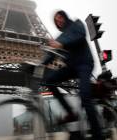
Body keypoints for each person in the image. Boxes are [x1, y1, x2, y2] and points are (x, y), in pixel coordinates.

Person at [41, 10, 104, 140]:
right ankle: (71, 113)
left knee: (85, 96)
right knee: (49, 80)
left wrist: (61, 43)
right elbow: (52, 52)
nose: (58, 20)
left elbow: (80, 35)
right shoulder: (61, 37)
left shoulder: (76, 24)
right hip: (71, 67)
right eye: (56, 20)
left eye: (60, 17)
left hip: (84, 64)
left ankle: (98, 135)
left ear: (65, 16)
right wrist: (40, 64)